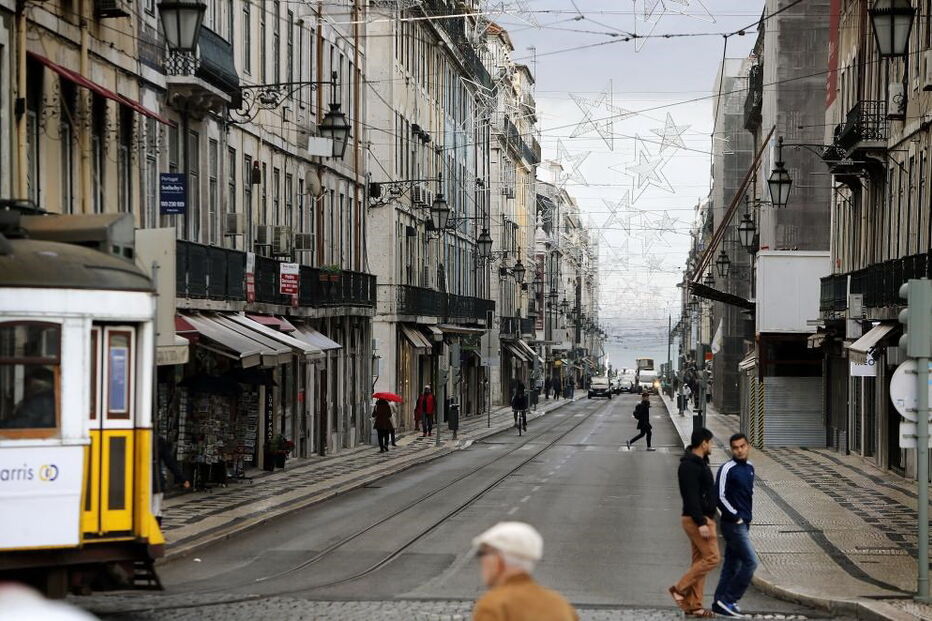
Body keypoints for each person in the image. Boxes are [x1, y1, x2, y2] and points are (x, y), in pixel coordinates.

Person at [471, 521, 578, 621]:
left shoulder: (494, 606)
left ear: (498, 559)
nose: (481, 561)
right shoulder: (561, 605)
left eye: (481, 554)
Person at [669, 427, 720, 618]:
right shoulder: (689, 466)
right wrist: (701, 522)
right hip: (697, 519)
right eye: (711, 442)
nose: (712, 445)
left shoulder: (699, 462)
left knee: (700, 562)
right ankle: (679, 589)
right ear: (703, 443)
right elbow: (691, 497)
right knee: (713, 558)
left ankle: (694, 605)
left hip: (702, 517)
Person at [712, 433, 758, 618]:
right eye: (735, 447)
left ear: (748, 446)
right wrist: (735, 516)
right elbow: (719, 496)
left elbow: (748, 493)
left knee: (732, 564)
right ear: (731, 449)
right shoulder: (727, 468)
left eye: (742, 446)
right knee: (750, 562)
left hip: (745, 523)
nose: (739, 450)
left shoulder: (750, 468)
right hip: (733, 525)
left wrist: (746, 518)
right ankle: (730, 599)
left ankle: (719, 603)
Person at [154, 436, 190, 526]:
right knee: (155, 510)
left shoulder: (133, 437)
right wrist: (183, 479)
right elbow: (169, 462)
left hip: (140, 483)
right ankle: (155, 531)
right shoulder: (157, 440)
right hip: (155, 482)